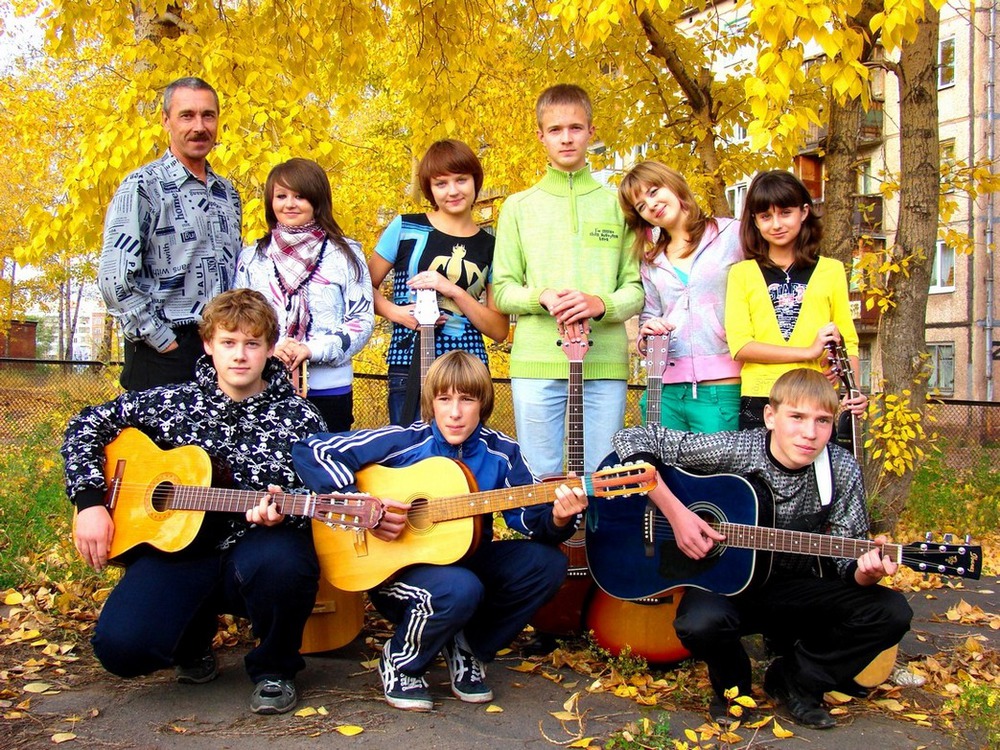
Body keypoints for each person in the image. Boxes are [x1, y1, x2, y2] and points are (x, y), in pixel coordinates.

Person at [62, 289, 325, 715]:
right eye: (228, 342)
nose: (240, 355)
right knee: (121, 651)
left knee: (286, 562)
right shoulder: (173, 402)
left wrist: (281, 510)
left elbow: (318, 491)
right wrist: (90, 501)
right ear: (208, 345)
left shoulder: (300, 417)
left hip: (255, 549)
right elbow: (85, 425)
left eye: (252, 343)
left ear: (269, 349)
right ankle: (192, 640)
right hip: (176, 550)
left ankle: (275, 668)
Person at [610, 368, 913, 730]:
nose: (810, 433)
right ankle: (733, 688)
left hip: (796, 589)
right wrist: (676, 514)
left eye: (823, 421)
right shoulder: (739, 449)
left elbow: (846, 556)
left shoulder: (839, 466)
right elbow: (631, 437)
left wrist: (865, 571)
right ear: (771, 416)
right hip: (729, 585)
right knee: (699, 623)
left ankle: (797, 680)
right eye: (796, 417)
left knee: (891, 611)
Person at [293, 350, 587, 711]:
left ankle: (468, 648)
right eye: (444, 399)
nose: (455, 412)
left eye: (467, 399)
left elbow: (528, 518)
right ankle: (401, 662)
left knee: (547, 565)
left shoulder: (503, 453)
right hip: (393, 569)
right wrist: (363, 506)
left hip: (465, 561)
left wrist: (558, 518)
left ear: (484, 403)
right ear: (431, 402)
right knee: (460, 587)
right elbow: (314, 449)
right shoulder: (403, 442)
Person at [493, 83, 643, 475]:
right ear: (540, 136)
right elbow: (503, 290)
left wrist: (601, 305)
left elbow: (635, 290)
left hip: (604, 362)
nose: (566, 138)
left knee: (601, 476)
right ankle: (545, 539)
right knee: (541, 474)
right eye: (555, 130)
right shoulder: (518, 207)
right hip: (537, 361)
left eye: (575, 128)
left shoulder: (619, 206)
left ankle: (594, 541)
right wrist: (539, 296)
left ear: (592, 132)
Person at [99, 77, 242, 390]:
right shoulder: (142, 187)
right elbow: (114, 279)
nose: (199, 126)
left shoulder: (227, 194)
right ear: (166, 120)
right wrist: (161, 339)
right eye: (187, 115)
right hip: (163, 351)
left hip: (219, 353)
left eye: (208, 115)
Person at [369, 140, 509, 425]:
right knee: (408, 458)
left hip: (466, 372)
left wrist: (453, 290)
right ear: (429, 189)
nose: (453, 191)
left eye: (461, 180)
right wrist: (397, 313)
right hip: (408, 363)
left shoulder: (492, 246)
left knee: (462, 465)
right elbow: (361, 288)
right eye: (441, 183)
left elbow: (498, 329)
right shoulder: (405, 227)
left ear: (475, 181)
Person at [235, 158, 374, 431]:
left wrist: (311, 350)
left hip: (329, 388)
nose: (289, 204)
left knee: (327, 468)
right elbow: (239, 319)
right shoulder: (252, 258)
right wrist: (273, 348)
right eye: (281, 196)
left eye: (299, 196)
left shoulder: (345, 254)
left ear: (317, 199)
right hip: (263, 383)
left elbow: (362, 319)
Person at [726, 170, 867, 429]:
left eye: (785, 213)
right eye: (766, 216)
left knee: (818, 470)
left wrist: (853, 391)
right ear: (755, 222)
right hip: (760, 397)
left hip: (814, 396)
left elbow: (849, 340)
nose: (776, 224)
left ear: (803, 212)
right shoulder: (741, 273)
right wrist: (809, 352)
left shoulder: (831, 270)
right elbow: (741, 346)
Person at [618, 161, 742, 431]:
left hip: (721, 388)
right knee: (663, 474)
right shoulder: (650, 261)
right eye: (641, 206)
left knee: (719, 474)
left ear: (672, 183)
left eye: (653, 191)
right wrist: (647, 332)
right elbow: (649, 315)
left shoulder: (732, 234)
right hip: (665, 392)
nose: (650, 205)